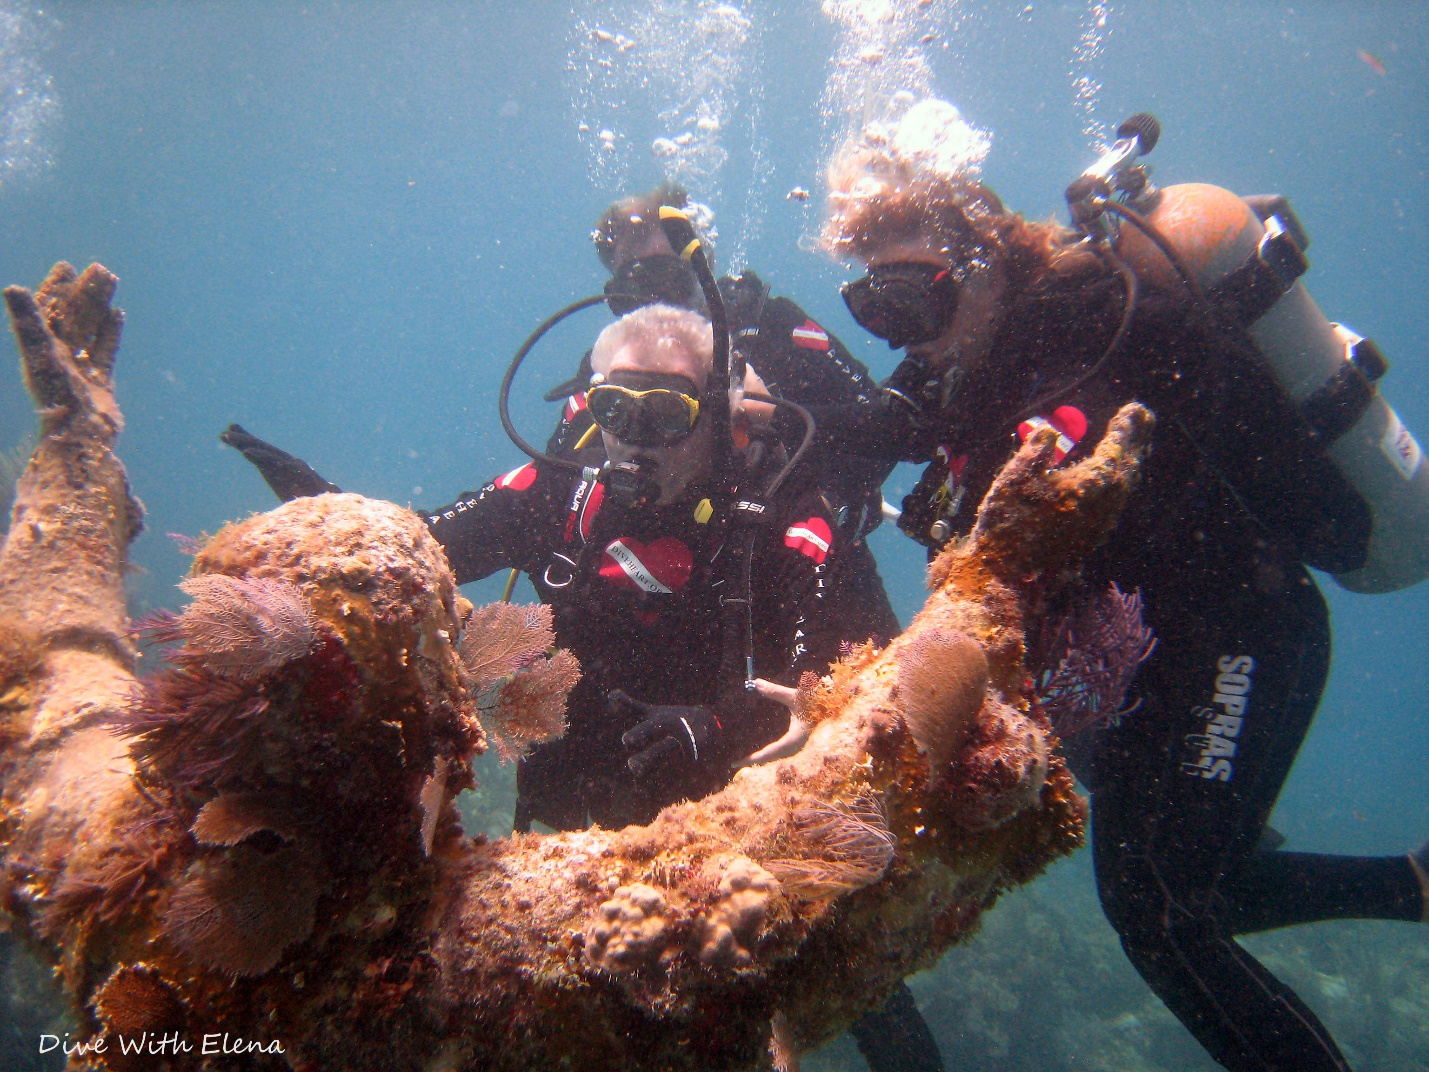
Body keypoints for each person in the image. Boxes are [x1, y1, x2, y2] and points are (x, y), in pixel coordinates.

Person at [803, 99, 1429, 1072]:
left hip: (1241, 630)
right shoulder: (976, 357)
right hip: (1154, 657)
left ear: (981, 258)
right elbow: (886, 431)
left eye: (912, 301)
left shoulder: (1085, 327)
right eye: (870, 308)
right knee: (1204, 881)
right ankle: (1415, 886)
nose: (898, 335)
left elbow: (1057, 476)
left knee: (1160, 917)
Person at [224, 301, 944, 1072]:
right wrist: (332, 510)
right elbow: (427, 547)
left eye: (665, 413)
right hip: (589, 779)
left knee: (844, 985)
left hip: (740, 795)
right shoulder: (553, 491)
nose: (634, 438)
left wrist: (719, 724)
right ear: (587, 406)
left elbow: (824, 675)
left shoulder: (779, 514)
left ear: (717, 416)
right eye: (613, 409)